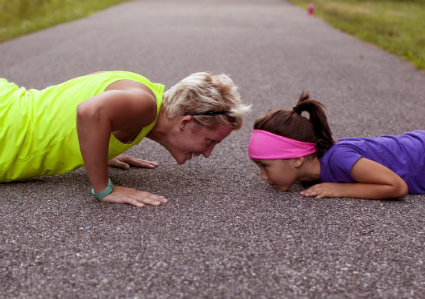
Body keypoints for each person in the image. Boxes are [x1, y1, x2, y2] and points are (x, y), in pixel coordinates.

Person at [1, 71, 251, 207]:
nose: (208, 153)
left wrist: (99, 150)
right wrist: (104, 188)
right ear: (185, 122)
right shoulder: (145, 105)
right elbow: (90, 112)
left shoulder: (146, 95)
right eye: (211, 141)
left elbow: (82, 113)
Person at [248, 92, 425, 200]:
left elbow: (397, 187)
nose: (263, 176)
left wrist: (341, 189)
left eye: (265, 166)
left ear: (297, 159)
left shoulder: (338, 158)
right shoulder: (311, 170)